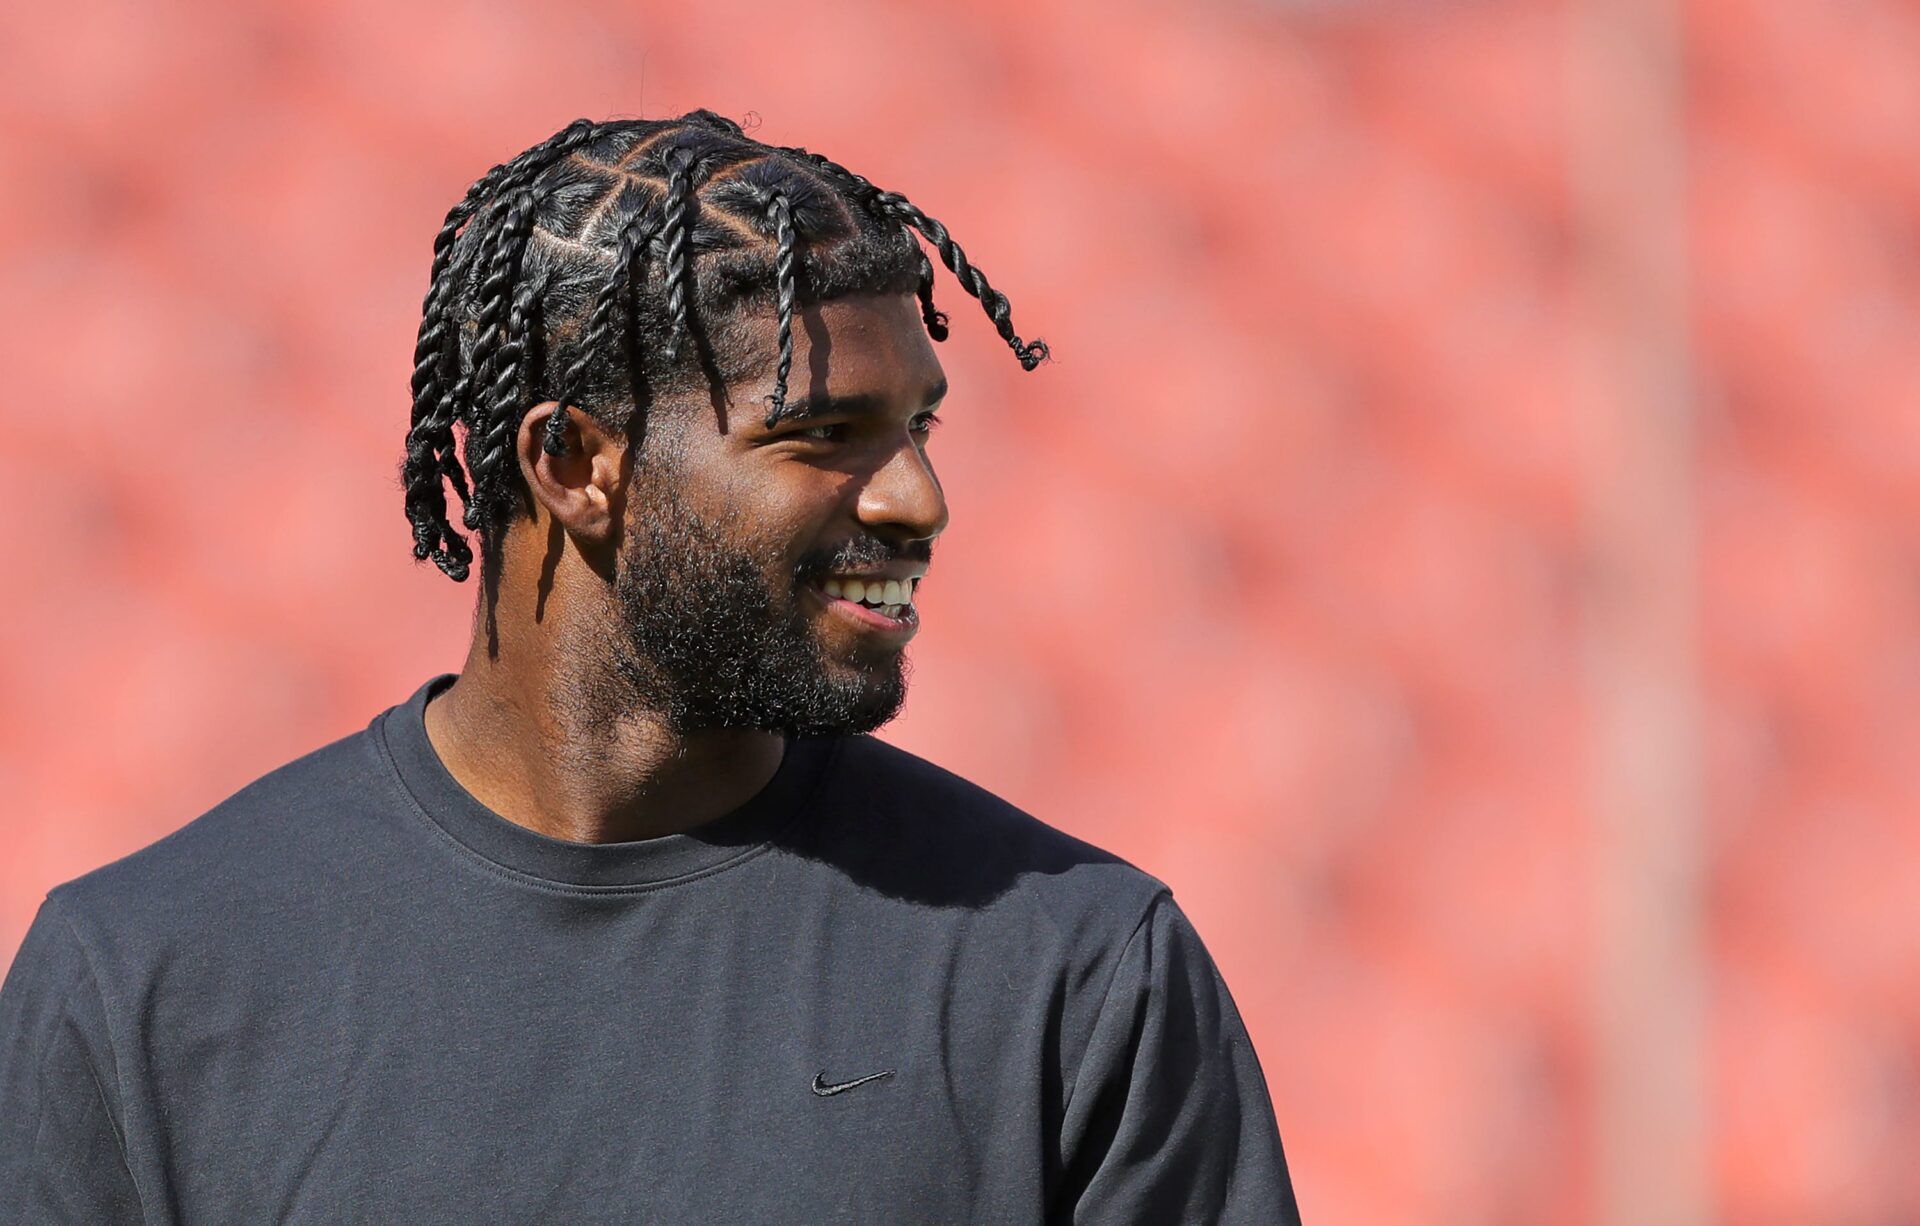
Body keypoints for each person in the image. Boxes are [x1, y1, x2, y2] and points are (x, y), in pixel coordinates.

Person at [0, 112, 1301, 1223]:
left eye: (917, 428)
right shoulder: (146, 986)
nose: (918, 499)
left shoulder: (1078, 979)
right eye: (827, 433)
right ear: (573, 463)